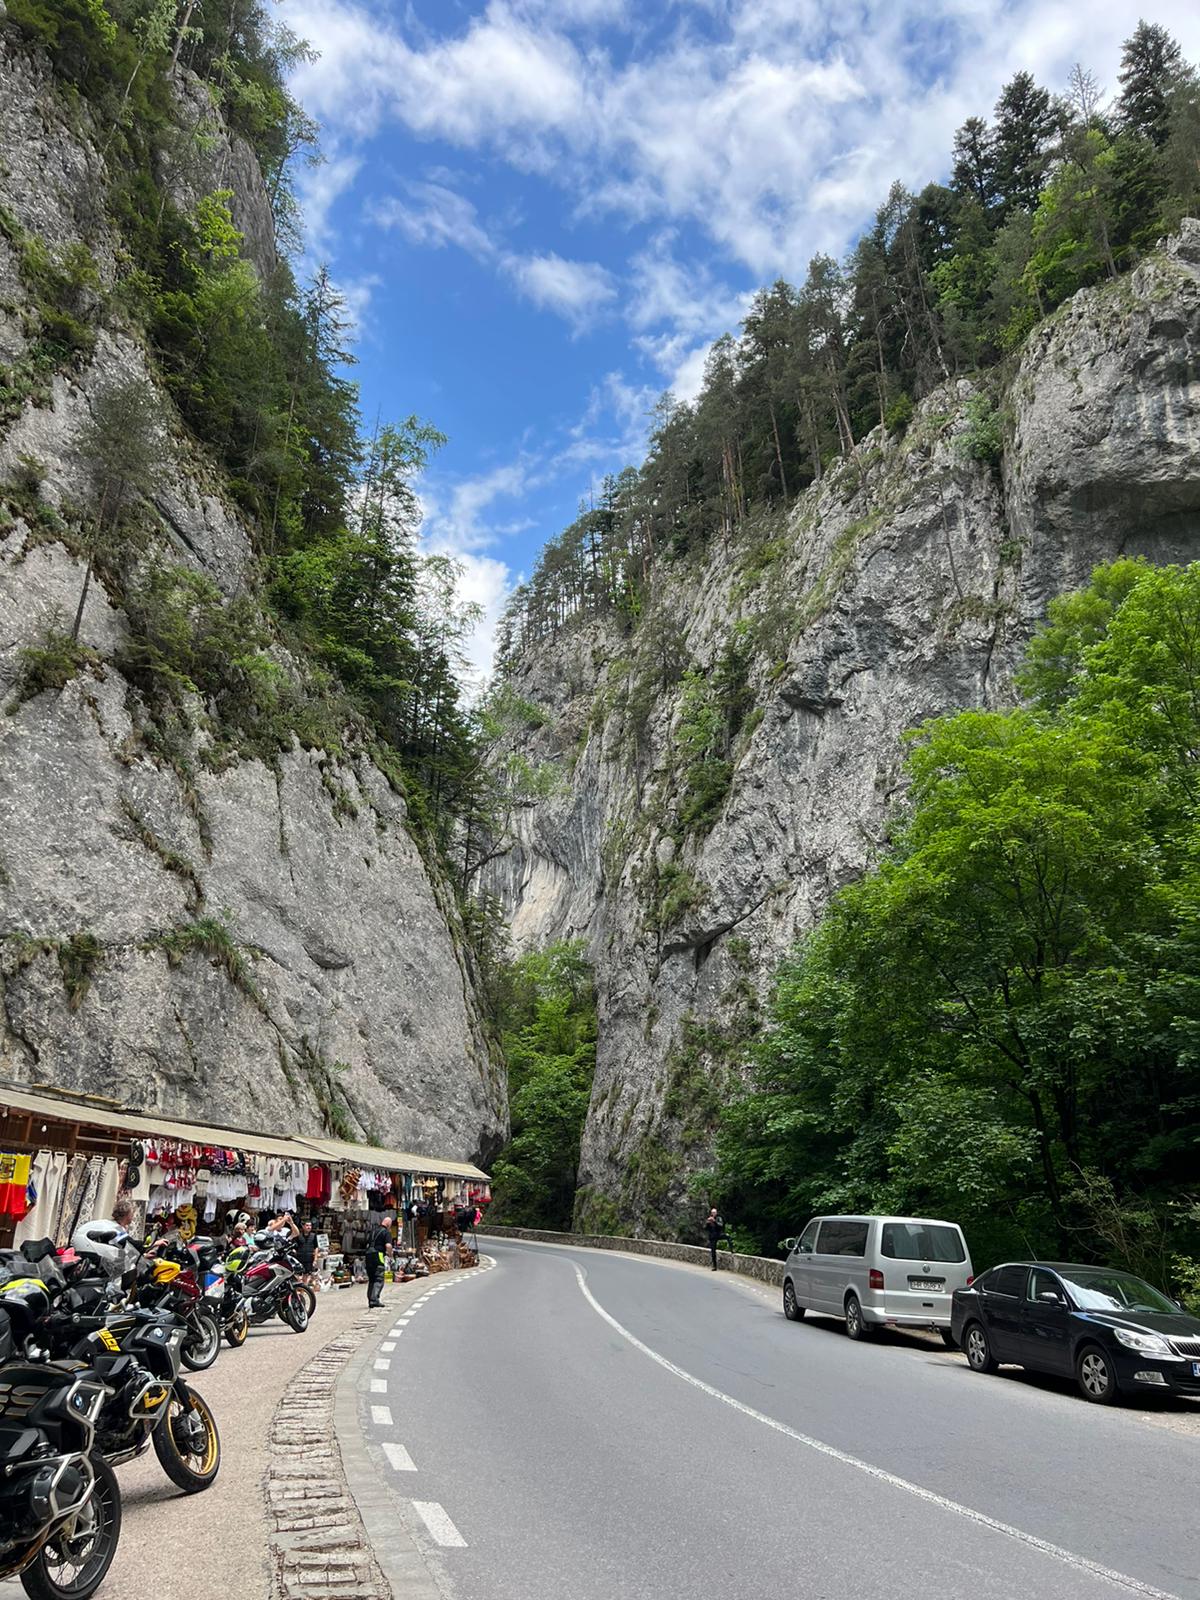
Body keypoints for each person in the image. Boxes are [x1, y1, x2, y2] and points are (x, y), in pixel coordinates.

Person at [365, 1211, 393, 1308]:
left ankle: (370, 1299)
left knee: (371, 1278)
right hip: (378, 1255)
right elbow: (388, 1246)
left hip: (368, 1255)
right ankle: (374, 1300)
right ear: (388, 1225)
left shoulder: (373, 1231)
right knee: (379, 1278)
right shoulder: (386, 1232)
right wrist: (390, 1255)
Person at [294, 1219, 318, 1284]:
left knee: (306, 1275)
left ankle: (304, 1288)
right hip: (299, 1258)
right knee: (298, 1275)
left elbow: (316, 1247)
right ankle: (298, 1287)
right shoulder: (298, 1235)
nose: (309, 1227)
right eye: (307, 1225)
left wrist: (315, 1259)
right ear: (303, 1226)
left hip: (309, 1258)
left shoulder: (313, 1235)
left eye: (310, 1225)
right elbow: (295, 1247)